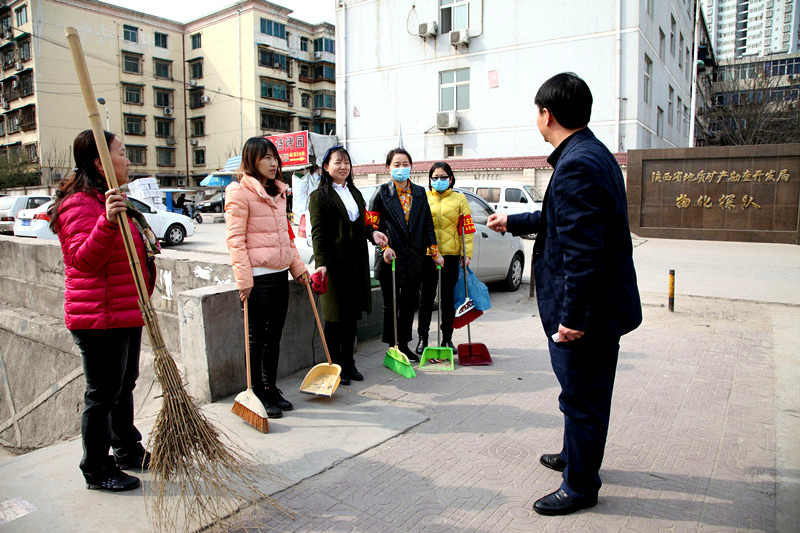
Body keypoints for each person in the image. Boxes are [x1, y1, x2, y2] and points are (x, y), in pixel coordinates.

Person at [487, 73, 642, 516]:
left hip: (586, 315)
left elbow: (583, 253)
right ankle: (575, 455)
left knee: (582, 398)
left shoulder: (576, 164)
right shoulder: (592, 153)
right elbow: (561, 217)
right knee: (583, 394)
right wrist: (514, 222)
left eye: (536, 112)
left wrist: (573, 319)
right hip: (602, 306)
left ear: (547, 114)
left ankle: (580, 486)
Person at [49, 129, 158, 492]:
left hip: (125, 309)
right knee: (102, 395)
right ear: (100, 163)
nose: (127, 159)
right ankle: (96, 469)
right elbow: (83, 261)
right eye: (121, 152)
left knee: (123, 386)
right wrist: (106, 222)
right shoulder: (78, 205)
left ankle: (127, 448)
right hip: (99, 316)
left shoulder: (108, 198)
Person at [225, 136, 309, 419]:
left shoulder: (279, 192)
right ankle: (257, 392)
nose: (273, 163)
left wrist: (298, 268)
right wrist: (244, 280)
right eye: (266, 158)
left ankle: (271, 387)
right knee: (256, 339)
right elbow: (235, 240)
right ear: (252, 160)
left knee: (274, 337)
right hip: (257, 279)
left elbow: (287, 237)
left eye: (275, 157)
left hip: (280, 276)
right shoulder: (238, 191)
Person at [308, 146, 388, 385]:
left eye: (346, 163)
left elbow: (364, 222)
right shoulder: (320, 197)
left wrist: (373, 234)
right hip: (333, 265)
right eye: (337, 162)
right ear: (326, 167)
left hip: (356, 263)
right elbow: (318, 233)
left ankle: (349, 363)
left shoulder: (354, 192)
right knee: (335, 317)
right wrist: (321, 264)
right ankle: (335, 366)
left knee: (351, 316)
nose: (343, 167)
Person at [369, 148, 443, 362]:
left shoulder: (419, 193)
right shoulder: (381, 193)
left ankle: (404, 344)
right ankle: (392, 346)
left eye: (405, 164)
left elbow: (428, 225)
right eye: (396, 165)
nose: (401, 168)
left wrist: (435, 253)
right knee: (391, 305)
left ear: (411, 166)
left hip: (414, 257)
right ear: (388, 168)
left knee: (410, 303)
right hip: (390, 257)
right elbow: (373, 227)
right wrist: (384, 248)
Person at [416, 162, 473, 355]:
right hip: (428, 255)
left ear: (450, 179)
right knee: (426, 299)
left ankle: (447, 338)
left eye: (443, 177)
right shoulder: (424, 197)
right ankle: (423, 338)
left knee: (448, 300)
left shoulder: (459, 199)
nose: (439, 180)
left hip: (450, 255)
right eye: (435, 177)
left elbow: (467, 229)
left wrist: (467, 253)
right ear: (430, 179)